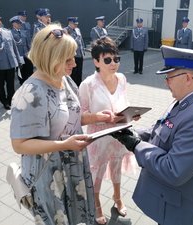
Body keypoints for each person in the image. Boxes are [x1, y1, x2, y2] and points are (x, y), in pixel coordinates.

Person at [111, 45, 193, 225]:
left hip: (179, 212)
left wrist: (136, 145)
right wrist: (132, 133)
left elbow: (174, 169)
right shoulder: (186, 100)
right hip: (169, 203)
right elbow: (161, 130)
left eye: (169, 77)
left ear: (188, 78)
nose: (166, 82)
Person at [10, 24, 95, 224]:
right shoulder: (30, 93)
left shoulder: (62, 79)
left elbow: (71, 117)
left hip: (72, 166)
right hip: (50, 177)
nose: (74, 63)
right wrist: (64, 145)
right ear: (49, 57)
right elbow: (19, 145)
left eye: (73, 56)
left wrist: (100, 117)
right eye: (68, 59)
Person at [79, 36, 136, 224]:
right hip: (98, 136)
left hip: (119, 134)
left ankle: (117, 198)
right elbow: (80, 116)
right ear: (96, 61)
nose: (114, 63)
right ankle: (96, 205)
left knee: (116, 166)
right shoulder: (88, 84)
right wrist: (99, 117)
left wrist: (131, 114)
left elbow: (125, 102)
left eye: (116, 59)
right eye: (108, 60)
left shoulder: (122, 78)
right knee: (97, 171)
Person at [0, 14, 23, 110]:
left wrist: (18, 61)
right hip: (0, 66)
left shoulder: (7, 32)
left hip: (10, 64)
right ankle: (4, 101)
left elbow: (14, 47)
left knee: (11, 84)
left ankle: (10, 100)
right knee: (0, 86)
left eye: (0, 20)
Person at [10, 16, 33, 84]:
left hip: (26, 55)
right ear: (13, 24)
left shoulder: (24, 32)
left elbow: (28, 43)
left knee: (30, 70)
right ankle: (22, 84)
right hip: (19, 56)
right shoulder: (10, 33)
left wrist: (30, 52)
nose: (20, 24)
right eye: (18, 23)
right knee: (21, 73)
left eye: (20, 23)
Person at [64, 17, 85, 86]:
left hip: (79, 54)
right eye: (74, 24)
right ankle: (73, 86)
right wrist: (77, 38)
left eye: (76, 24)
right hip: (73, 55)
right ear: (70, 23)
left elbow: (81, 40)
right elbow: (69, 42)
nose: (76, 25)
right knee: (73, 73)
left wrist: (83, 50)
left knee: (79, 72)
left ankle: (79, 86)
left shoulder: (77, 29)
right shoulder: (66, 30)